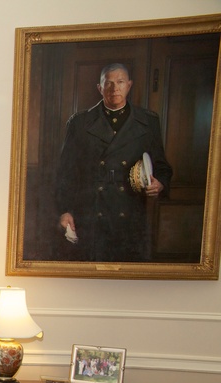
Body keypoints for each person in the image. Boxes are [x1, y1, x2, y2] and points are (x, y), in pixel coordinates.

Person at [56, 63, 173, 262]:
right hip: (91, 212)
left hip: (130, 211)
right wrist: (64, 210)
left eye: (120, 82)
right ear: (100, 88)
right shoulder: (79, 123)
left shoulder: (148, 121)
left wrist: (159, 183)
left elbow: (162, 167)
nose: (114, 88)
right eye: (108, 83)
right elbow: (65, 172)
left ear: (129, 85)